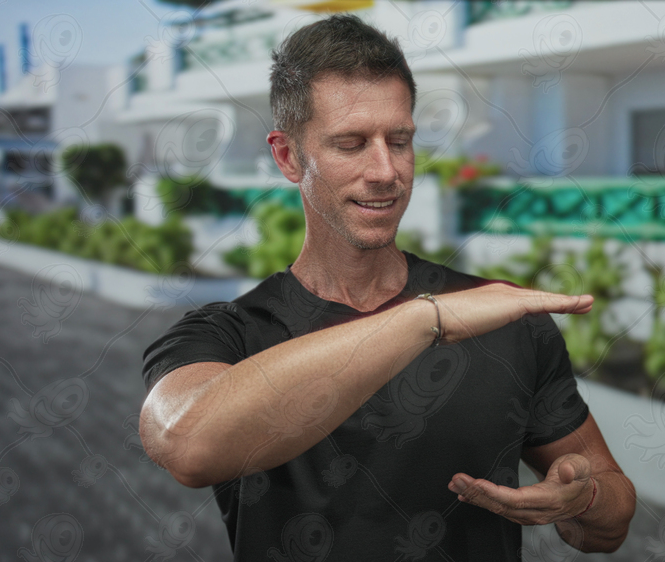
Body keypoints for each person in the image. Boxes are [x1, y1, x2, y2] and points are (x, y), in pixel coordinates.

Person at [140, 14, 635, 560]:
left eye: (399, 141)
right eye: (351, 144)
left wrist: (584, 498)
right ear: (288, 156)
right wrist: (424, 319)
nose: (385, 170)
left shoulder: (505, 320)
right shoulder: (229, 334)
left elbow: (610, 522)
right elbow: (186, 445)